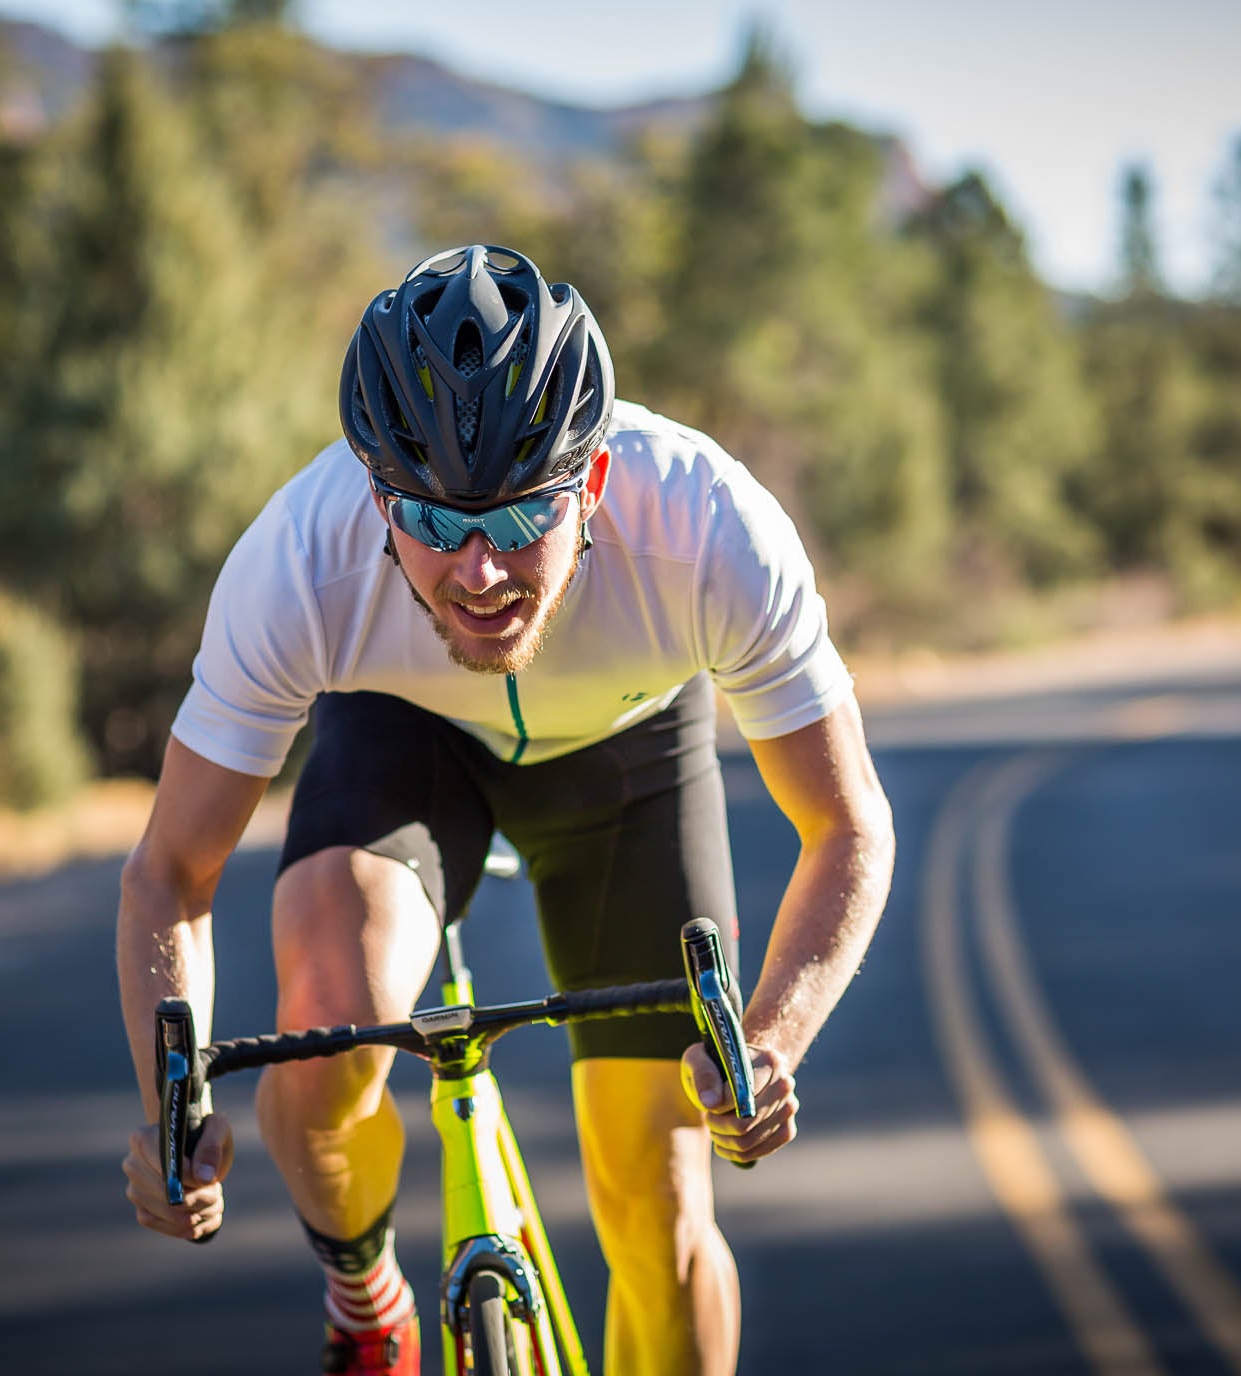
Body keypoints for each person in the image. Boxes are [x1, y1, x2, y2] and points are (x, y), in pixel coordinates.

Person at [118, 244, 895, 1375]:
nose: (478, 573)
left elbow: (848, 825)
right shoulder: (297, 561)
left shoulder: (711, 526)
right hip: (405, 739)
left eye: (521, 518)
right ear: (379, 499)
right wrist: (167, 1112)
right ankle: (364, 1292)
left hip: (628, 756)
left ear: (591, 485)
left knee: (663, 1204)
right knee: (326, 1027)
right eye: (433, 527)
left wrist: (770, 1042)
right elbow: (169, 871)